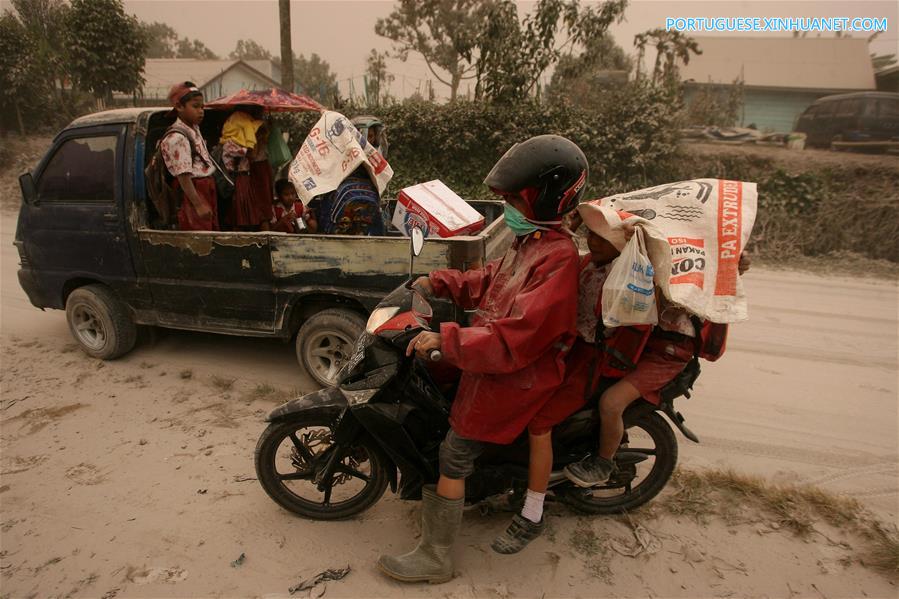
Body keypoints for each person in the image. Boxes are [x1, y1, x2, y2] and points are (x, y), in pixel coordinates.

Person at [377, 135, 588, 583]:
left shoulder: (559, 258)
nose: (506, 207)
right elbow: (489, 280)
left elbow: (519, 336)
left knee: (454, 453)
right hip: (490, 355)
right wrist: (440, 282)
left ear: (542, 197)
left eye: (513, 199)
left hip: (517, 372)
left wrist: (444, 340)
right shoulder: (530, 240)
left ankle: (436, 558)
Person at [560, 210, 750, 487]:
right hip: (638, 344)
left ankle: (603, 463)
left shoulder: (673, 270)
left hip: (667, 354)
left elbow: (722, 271)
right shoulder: (629, 264)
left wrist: (734, 264)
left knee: (611, 402)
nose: (593, 242)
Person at [159, 81, 218, 231]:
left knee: (211, 231)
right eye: (195, 106)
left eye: (202, 107)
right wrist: (198, 205)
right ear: (179, 107)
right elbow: (183, 176)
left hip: (204, 186)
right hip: (192, 191)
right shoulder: (177, 137)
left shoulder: (194, 128)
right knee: (200, 235)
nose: (201, 111)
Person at [220, 109, 270, 230]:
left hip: (245, 179)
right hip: (239, 180)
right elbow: (252, 154)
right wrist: (254, 139)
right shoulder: (230, 144)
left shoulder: (238, 143)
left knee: (250, 215)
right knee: (238, 216)